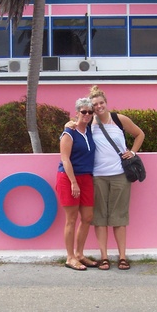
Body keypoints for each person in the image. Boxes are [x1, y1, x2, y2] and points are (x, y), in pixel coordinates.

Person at [88, 85, 145, 270]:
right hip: (98, 176)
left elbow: (139, 134)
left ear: (106, 102)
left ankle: (122, 257)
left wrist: (133, 152)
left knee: (119, 218)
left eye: (101, 102)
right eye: (95, 104)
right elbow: (72, 128)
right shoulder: (90, 123)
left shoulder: (118, 119)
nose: (98, 106)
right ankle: (104, 257)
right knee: (100, 218)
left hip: (120, 175)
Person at [57, 97, 97, 271]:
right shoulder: (69, 132)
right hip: (69, 178)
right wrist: (73, 182)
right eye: (83, 112)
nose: (87, 115)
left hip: (86, 177)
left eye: (90, 112)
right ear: (77, 112)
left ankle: (80, 254)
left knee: (87, 217)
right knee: (71, 219)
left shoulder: (89, 131)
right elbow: (65, 159)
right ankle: (70, 257)